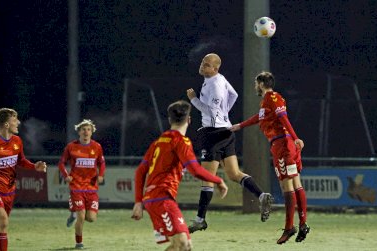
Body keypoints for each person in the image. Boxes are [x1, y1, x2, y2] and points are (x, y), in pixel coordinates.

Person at [186, 53, 273, 233]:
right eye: (203, 62)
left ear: (215, 68)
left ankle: (200, 219)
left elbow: (211, 110)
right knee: (234, 173)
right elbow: (234, 95)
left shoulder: (215, 86)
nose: (203, 66)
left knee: (206, 178)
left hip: (212, 133)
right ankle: (261, 195)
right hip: (225, 131)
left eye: (207, 64)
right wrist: (224, 114)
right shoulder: (220, 79)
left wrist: (194, 99)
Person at [131, 100, 228, 251]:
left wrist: (138, 201)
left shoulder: (159, 141)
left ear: (170, 120)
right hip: (161, 198)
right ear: (189, 120)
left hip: (156, 198)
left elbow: (140, 171)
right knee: (182, 244)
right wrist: (218, 180)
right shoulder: (181, 141)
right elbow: (195, 169)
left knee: (185, 246)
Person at [229, 71, 310, 244]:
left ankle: (290, 227)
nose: (254, 87)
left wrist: (295, 138)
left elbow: (283, 117)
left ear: (261, 83)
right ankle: (302, 224)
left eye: (255, 83)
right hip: (286, 144)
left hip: (283, 145)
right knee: (296, 183)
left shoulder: (272, 97)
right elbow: (259, 118)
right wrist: (240, 126)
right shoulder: (268, 101)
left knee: (286, 185)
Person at [0, 108, 47, 251]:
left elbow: (21, 160)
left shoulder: (17, 141)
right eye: (15, 120)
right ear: (6, 124)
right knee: (3, 222)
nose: (19, 122)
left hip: (9, 191)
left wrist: (34, 167)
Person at [58, 119, 106, 249]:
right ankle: (79, 243)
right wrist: (66, 176)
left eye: (89, 129)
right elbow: (61, 163)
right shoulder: (71, 147)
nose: (86, 132)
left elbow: (102, 163)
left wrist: (101, 175)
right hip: (77, 186)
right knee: (81, 215)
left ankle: (73, 212)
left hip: (91, 187)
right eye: (83, 129)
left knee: (91, 218)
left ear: (92, 132)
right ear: (79, 132)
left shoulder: (97, 147)